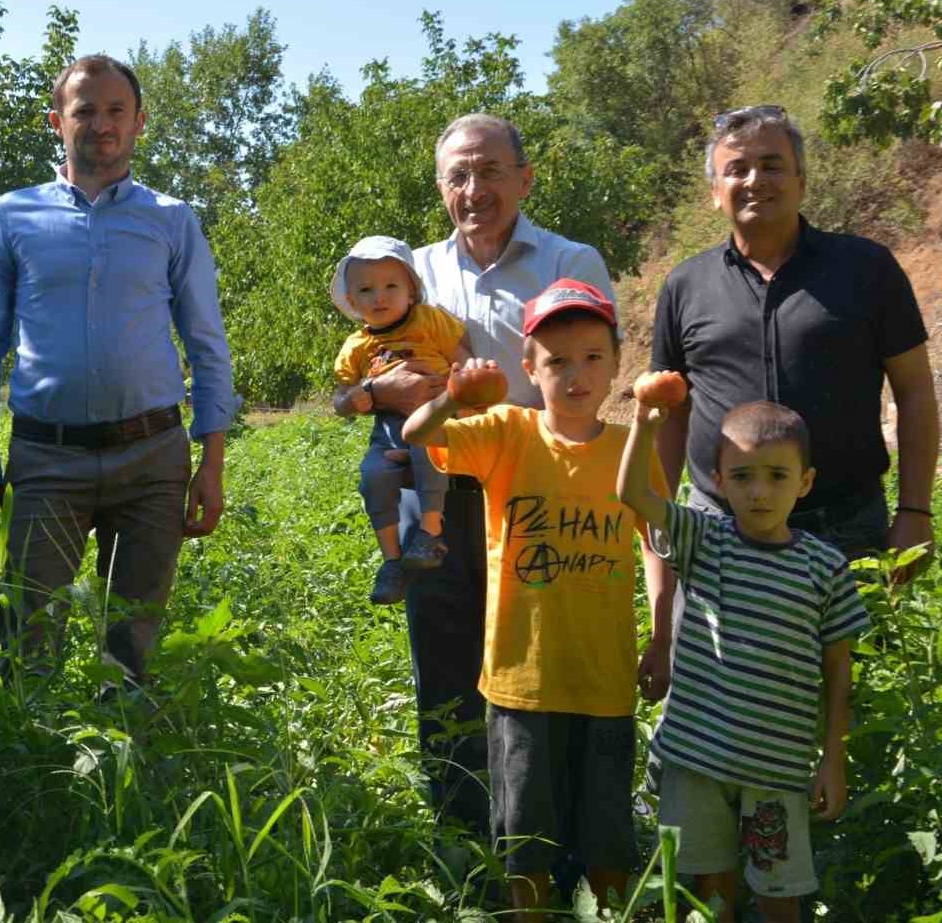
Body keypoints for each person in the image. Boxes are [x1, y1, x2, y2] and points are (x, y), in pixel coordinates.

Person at [363, 114, 661, 836]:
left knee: (538, 660)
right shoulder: (416, 273)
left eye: (491, 171)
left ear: (525, 179)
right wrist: (379, 391)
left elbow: (590, 366)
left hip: (537, 492)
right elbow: (364, 376)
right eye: (458, 176)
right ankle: (461, 829)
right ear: (440, 188)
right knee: (442, 656)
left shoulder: (570, 263)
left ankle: (545, 829)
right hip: (435, 486)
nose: (475, 189)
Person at [0, 54, 235, 690]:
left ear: (139, 122)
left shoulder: (171, 219)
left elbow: (207, 344)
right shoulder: (12, 215)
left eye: (116, 111)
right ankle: (34, 778)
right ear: (57, 121)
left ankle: (125, 775)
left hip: (153, 462)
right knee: (26, 640)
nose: (101, 123)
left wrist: (211, 461)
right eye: (85, 110)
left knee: (130, 645)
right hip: (46, 460)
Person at [404, 279, 668, 918]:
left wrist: (662, 638)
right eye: (556, 360)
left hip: (605, 681)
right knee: (525, 839)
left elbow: (655, 541)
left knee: (607, 833)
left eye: (593, 357)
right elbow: (416, 435)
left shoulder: (630, 449)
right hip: (522, 683)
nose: (575, 374)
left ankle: (606, 912)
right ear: (530, 368)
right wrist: (453, 396)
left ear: (615, 364)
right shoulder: (507, 433)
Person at [652, 105, 938, 584]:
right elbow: (670, 411)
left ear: (801, 181)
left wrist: (915, 510)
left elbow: (914, 391)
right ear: (714, 194)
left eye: (771, 165)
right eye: (736, 169)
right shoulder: (685, 284)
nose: (754, 179)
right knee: (715, 662)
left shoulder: (867, 268)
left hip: (845, 530)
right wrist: (662, 516)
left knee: (855, 660)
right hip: (718, 531)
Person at [618, 398, 870, 923]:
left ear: (805, 482)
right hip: (698, 760)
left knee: (781, 895)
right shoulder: (704, 540)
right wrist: (643, 425)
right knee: (710, 894)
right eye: (743, 476)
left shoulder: (825, 568)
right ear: (719, 481)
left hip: (776, 768)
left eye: (778, 475)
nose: (759, 492)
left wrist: (833, 759)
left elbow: (839, 674)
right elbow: (633, 494)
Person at [330, 235, 471, 605]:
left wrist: (460, 392)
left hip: (433, 414)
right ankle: (391, 559)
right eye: (366, 289)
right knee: (373, 476)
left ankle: (430, 531)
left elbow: (463, 359)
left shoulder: (430, 320)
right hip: (388, 429)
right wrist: (359, 394)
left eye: (391, 285)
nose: (380, 297)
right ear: (352, 302)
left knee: (428, 452)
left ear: (411, 291)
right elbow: (340, 399)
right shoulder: (356, 347)